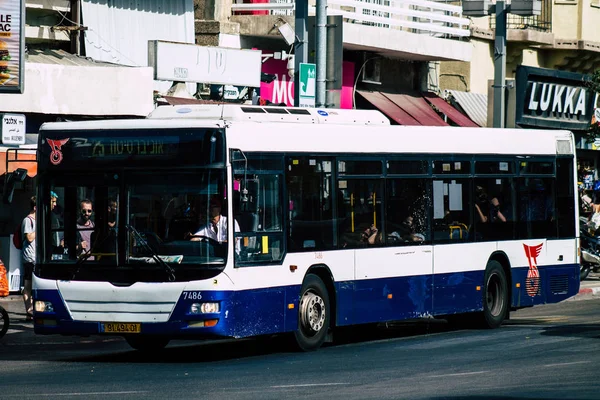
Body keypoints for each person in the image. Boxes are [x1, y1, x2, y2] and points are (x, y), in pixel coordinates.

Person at [21, 196, 36, 321]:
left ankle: (32, 311)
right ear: (35, 208)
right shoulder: (28, 220)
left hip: (37, 258)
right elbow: (29, 238)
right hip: (29, 258)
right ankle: (29, 311)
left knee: (34, 286)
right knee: (28, 286)